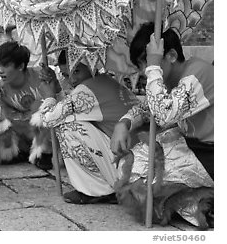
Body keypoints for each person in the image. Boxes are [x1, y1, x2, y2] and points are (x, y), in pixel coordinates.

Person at [110, 23, 213, 228]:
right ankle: (198, 200)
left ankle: (206, 200)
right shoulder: (169, 79)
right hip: (192, 145)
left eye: (145, 64)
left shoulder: (196, 74)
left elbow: (164, 115)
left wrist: (154, 66)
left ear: (171, 56)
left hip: (211, 153)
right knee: (129, 167)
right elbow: (147, 109)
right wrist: (123, 124)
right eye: (143, 65)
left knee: (142, 183)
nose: (144, 72)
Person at [31, 50, 141, 204]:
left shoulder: (87, 89)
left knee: (65, 127)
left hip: (127, 164)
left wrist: (49, 96)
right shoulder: (104, 81)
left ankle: (96, 190)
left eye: (76, 71)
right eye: (66, 75)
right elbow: (70, 106)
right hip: (136, 157)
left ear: (91, 65)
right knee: (68, 121)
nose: (72, 79)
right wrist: (56, 89)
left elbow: (49, 120)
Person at [0, 41, 52, 169]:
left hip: (41, 129)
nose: (0, 71)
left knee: (47, 113)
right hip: (20, 129)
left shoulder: (41, 76)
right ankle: (17, 152)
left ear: (21, 66)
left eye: (5, 65)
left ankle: (45, 152)